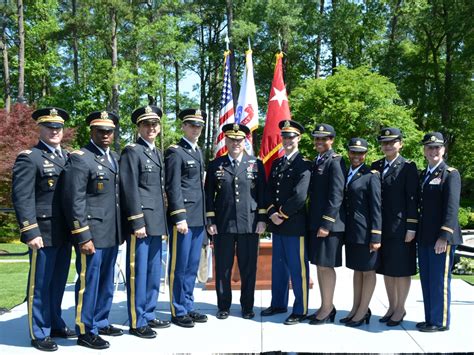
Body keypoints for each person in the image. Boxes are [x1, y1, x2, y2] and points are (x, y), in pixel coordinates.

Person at [12, 107, 75, 352]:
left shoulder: (67, 157)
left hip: (63, 233)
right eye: (49, 126)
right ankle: (39, 332)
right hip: (42, 233)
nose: (54, 131)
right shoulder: (30, 157)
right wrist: (30, 231)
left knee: (59, 283)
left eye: (58, 127)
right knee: (40, 285)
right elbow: (22, 197)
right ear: (40, 128)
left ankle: (55, 322)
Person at [62, 111, 123, 350]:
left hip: (111, 232)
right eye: (101, 131)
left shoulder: (114, 158)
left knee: (107, 283)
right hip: (92, 234)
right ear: (92, 131)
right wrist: (82, 235)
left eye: (109, 131)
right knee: (89, 283)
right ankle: (85, 329)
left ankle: (101, 320)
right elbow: (74, 201)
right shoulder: (81, 158)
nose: (106, 135)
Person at [205, 123, 267, 320]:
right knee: (222, 267)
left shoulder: (255, 164)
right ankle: (223, 306)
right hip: (223, 224)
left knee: (248, 267)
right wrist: (210, 220)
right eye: (231, 140)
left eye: (239, 140)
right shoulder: (216, 164)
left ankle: (247, 307)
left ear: (245, 141)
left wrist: (262, 219)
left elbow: (262, 194)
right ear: (226, 141)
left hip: (249, 223)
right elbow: (208, 195)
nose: (235, 143)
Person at [119, 105, 170, 339]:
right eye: (147, 124)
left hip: (157, 221)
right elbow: (129, 189)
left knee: (152, 272)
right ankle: (136, 320)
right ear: (138, 127)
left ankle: (148, 313)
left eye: (155, 124)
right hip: (141, 224)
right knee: (137, 273)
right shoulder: (132, 151)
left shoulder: (156, 152)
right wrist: (137, 221)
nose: (151, 128)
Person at [261, 120, 311, 325]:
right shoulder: (278, 163)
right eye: (285, 136)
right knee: (279, 267)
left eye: (291, 137)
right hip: (277, 224)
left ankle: (300, 309)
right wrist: (271, 213)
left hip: (294, 224)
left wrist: (281, 214)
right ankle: (279, 303)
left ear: (298, 138)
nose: (287, 140)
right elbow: (269, 191)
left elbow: (300, 196)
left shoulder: (304, 164)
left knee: (298, 269)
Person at [371, 128, 418, 326]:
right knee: (387, 270)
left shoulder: (408, 167)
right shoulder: (376, 166)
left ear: (401, 144)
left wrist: (411, 227)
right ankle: (391, 306)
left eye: (392, 142)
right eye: (384, 142)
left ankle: (400, 308)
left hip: (400, 228)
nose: (388, 146)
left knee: (401, 270)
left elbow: (412, 199)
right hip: (381, 228)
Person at [165, 108, 208, 328]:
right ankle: (178, 309)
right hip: (183, 220)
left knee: (191, 266)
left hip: (198, 218)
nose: (195, 129)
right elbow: (173, 187)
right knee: (179, 266)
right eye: (191, 125)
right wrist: (179, 216)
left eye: (199, 125)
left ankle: (188, 305)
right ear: (183, 126)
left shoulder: (197, 150)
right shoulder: (176, 151)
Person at [416, 132, 462, 332]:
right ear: (424, 151)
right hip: (425, 236)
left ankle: (440, 321)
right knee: (427, 279)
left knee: (439, 281)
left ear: (443, 150)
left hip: (441, 239)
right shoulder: (424, 174)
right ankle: (430, 318)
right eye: (429, 147)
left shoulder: (450, 174)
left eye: (437, 147)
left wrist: (443, 236)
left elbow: (452, 207)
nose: (433, 151)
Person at [307, 123, 345, 325]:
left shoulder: (335, 161)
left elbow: (336, 195)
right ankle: (324, 306)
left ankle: (328, 307)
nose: (320, 142)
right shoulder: (318, 160)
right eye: (317, 138)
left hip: (329, 226)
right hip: (317, 223)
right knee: (320, 267)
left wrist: (326, 224)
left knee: (326, 266)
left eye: (324, 138)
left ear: (332, 140)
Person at [341, 138, 382, 327]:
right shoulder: (345, 172)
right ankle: (355, 308)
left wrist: (376, 235)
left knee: (368, 272)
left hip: (366, 233)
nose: (356, 156)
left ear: (365, 154)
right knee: (357, 271)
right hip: (351, 232)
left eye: (360, 153)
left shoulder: (371, 175)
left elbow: (376, 208)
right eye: (353, 152)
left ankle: (363, 311)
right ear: (349, 153)